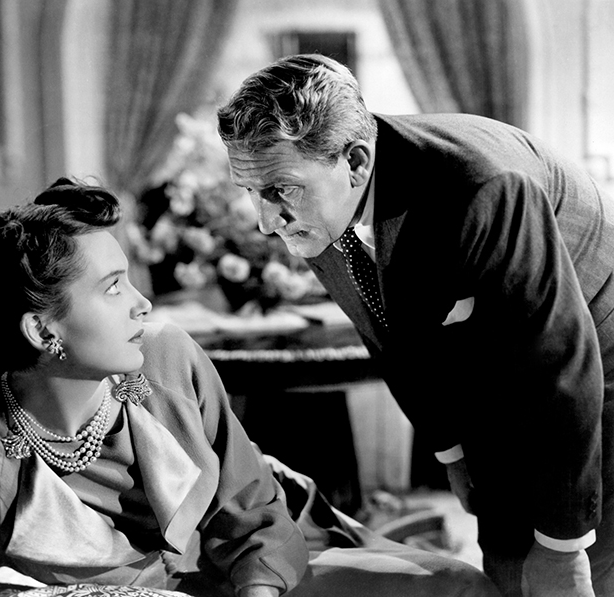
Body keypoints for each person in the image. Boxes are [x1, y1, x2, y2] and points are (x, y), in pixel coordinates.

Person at [0, 178, 500, 597]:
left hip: (272, 556)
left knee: (456, 586)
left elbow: (253, 513)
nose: (142, 304)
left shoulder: (164, 355)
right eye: (113, 287)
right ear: (42, 328)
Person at [216, 53, 614, 597]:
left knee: (578, 572)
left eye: (279, 190)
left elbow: (560, 365)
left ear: (356, 162)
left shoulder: (482, 187)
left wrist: (564, 546)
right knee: (507, 573)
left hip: (597, 368)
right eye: (250, 192)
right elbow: (392, 341)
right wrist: (453, 453)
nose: (265, 222)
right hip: (501, 381)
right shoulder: (321, 203)